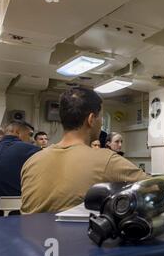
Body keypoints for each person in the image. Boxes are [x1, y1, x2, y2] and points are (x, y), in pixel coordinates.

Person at [21, 87, 149, 214]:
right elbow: (154, 186)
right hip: (75, 234)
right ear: (91, 119)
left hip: (29, 234)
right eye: (101, 118)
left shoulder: (32, 162)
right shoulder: (105, 159)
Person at [0, 120, 40, 216]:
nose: (32, 140)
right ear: (17, 132)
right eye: (30, 135)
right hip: (16, 215)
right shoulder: (32, 151)